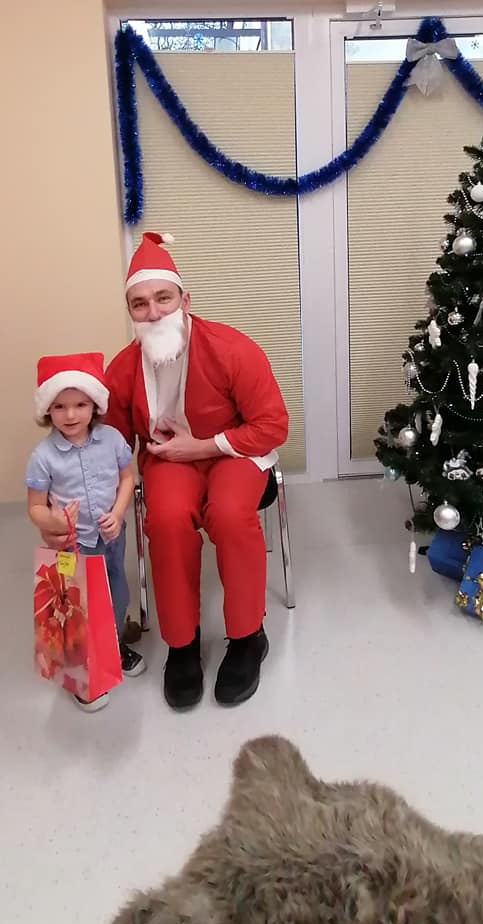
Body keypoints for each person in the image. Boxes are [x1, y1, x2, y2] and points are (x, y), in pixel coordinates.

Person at [104, 232, 289, 711]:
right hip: (169, 460)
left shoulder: (233, 349)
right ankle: (182, 646)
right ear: (131, 311)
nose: (153, 312)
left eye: (163, 298)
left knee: (229, 515)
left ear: (185, 300)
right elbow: (113, 443)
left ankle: (247, 637)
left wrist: (203, 446)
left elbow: (273, 425)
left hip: (234, 452)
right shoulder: (123, 368)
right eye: (140, 303)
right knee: (165, 520)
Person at [26, 353, 146, 711]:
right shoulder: (43, 456)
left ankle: (115, 645)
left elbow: (127, 477)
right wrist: (56, 522)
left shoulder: (111, 439)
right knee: (78, 606)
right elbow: (35, 508)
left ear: (95, 406)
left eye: (80, 404)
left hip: (111, 536)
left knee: (117, 592)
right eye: (60, 406)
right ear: (48, 411)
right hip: (73, 546)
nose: (71, 415)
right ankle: (82, 673)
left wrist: (118, 512)